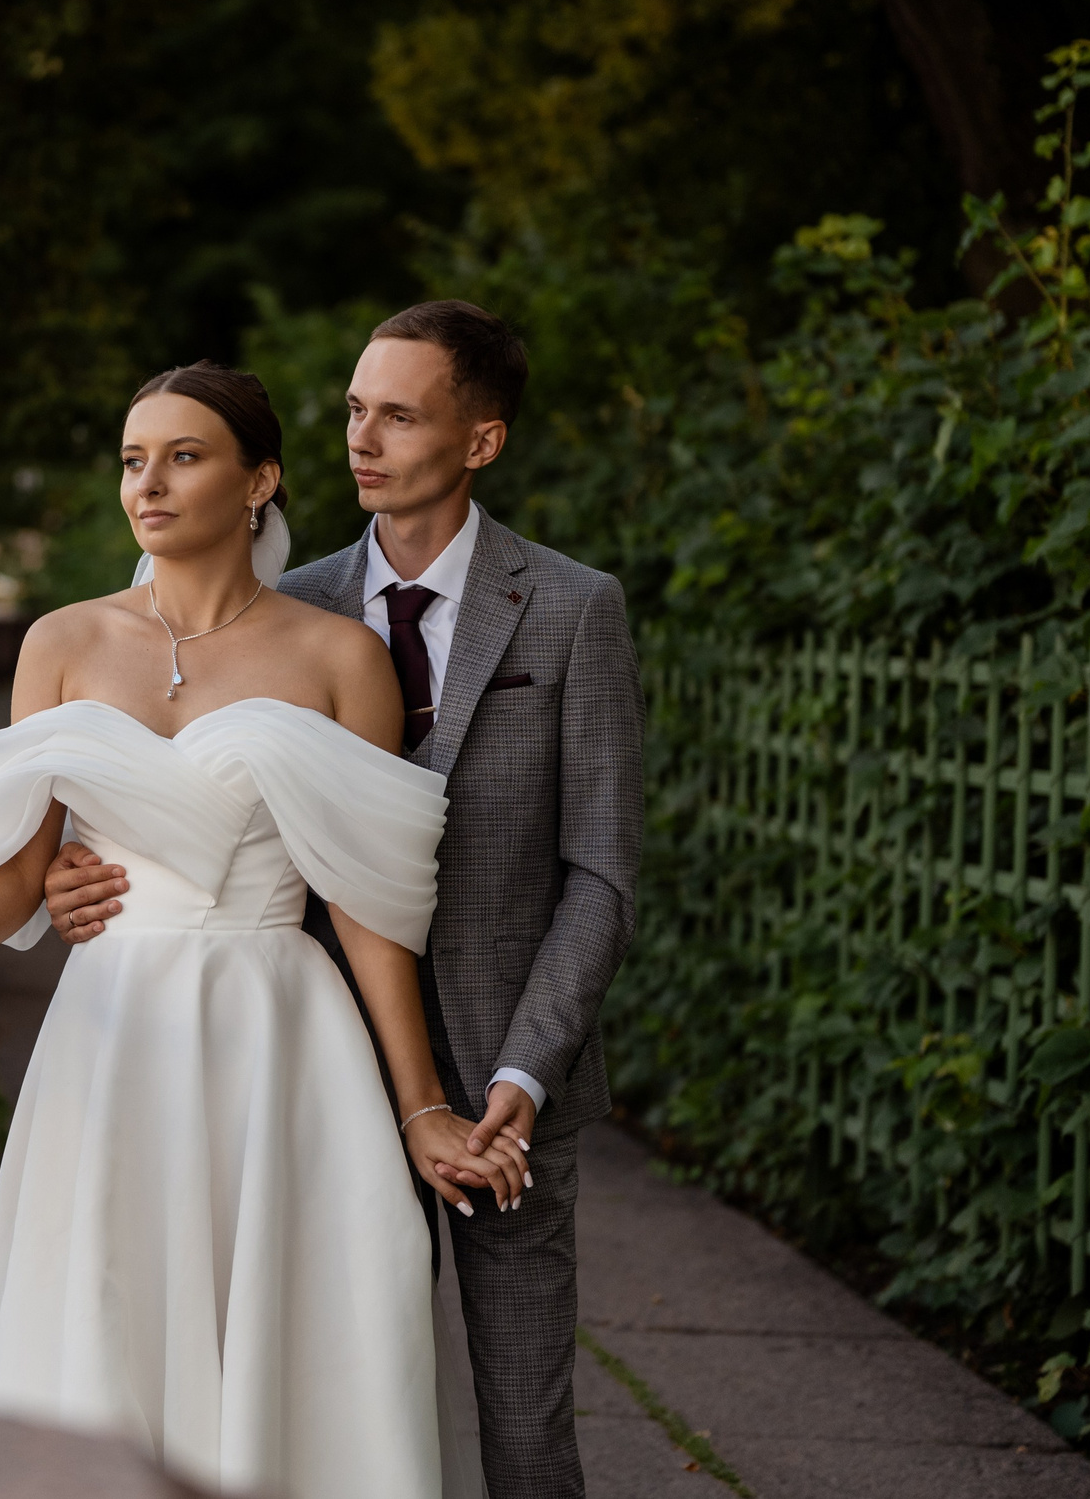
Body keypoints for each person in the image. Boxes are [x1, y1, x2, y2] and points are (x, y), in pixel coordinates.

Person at [0, 362, 521, 1499]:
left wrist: (419, 1106)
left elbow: (371, 912)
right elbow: (10, 874)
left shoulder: (338, 656)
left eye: (184, 454)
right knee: (105, 1312)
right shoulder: (62, 641)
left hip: (278, 1036)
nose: (147, 481)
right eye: (132, 458)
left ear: (260, 480)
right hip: (110, 1031)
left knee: (289, 1349)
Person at [46, 302, 643, 1499]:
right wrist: (81, 863)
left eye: (400, 414)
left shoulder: (575, 607)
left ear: (479, 441)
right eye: (356, 409)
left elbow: (601, 871)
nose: (363, 438)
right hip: (303, 1079)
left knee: (526, 1435)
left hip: (498, 1086)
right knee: (321, 1410)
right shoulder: (289, 605)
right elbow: (162, 779)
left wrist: (523, 1076)